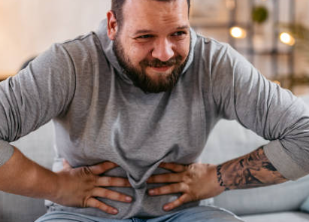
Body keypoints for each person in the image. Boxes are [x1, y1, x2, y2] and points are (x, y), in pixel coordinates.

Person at [0, 0, 309, 221]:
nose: (165, 53)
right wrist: (56, 186)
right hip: (80, 215)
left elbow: (304, 135)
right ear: (112, 25)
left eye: (178, 33)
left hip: (186, 213)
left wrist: (216, 178)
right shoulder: (68, 63)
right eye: (145, 36)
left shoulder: (216, 64)